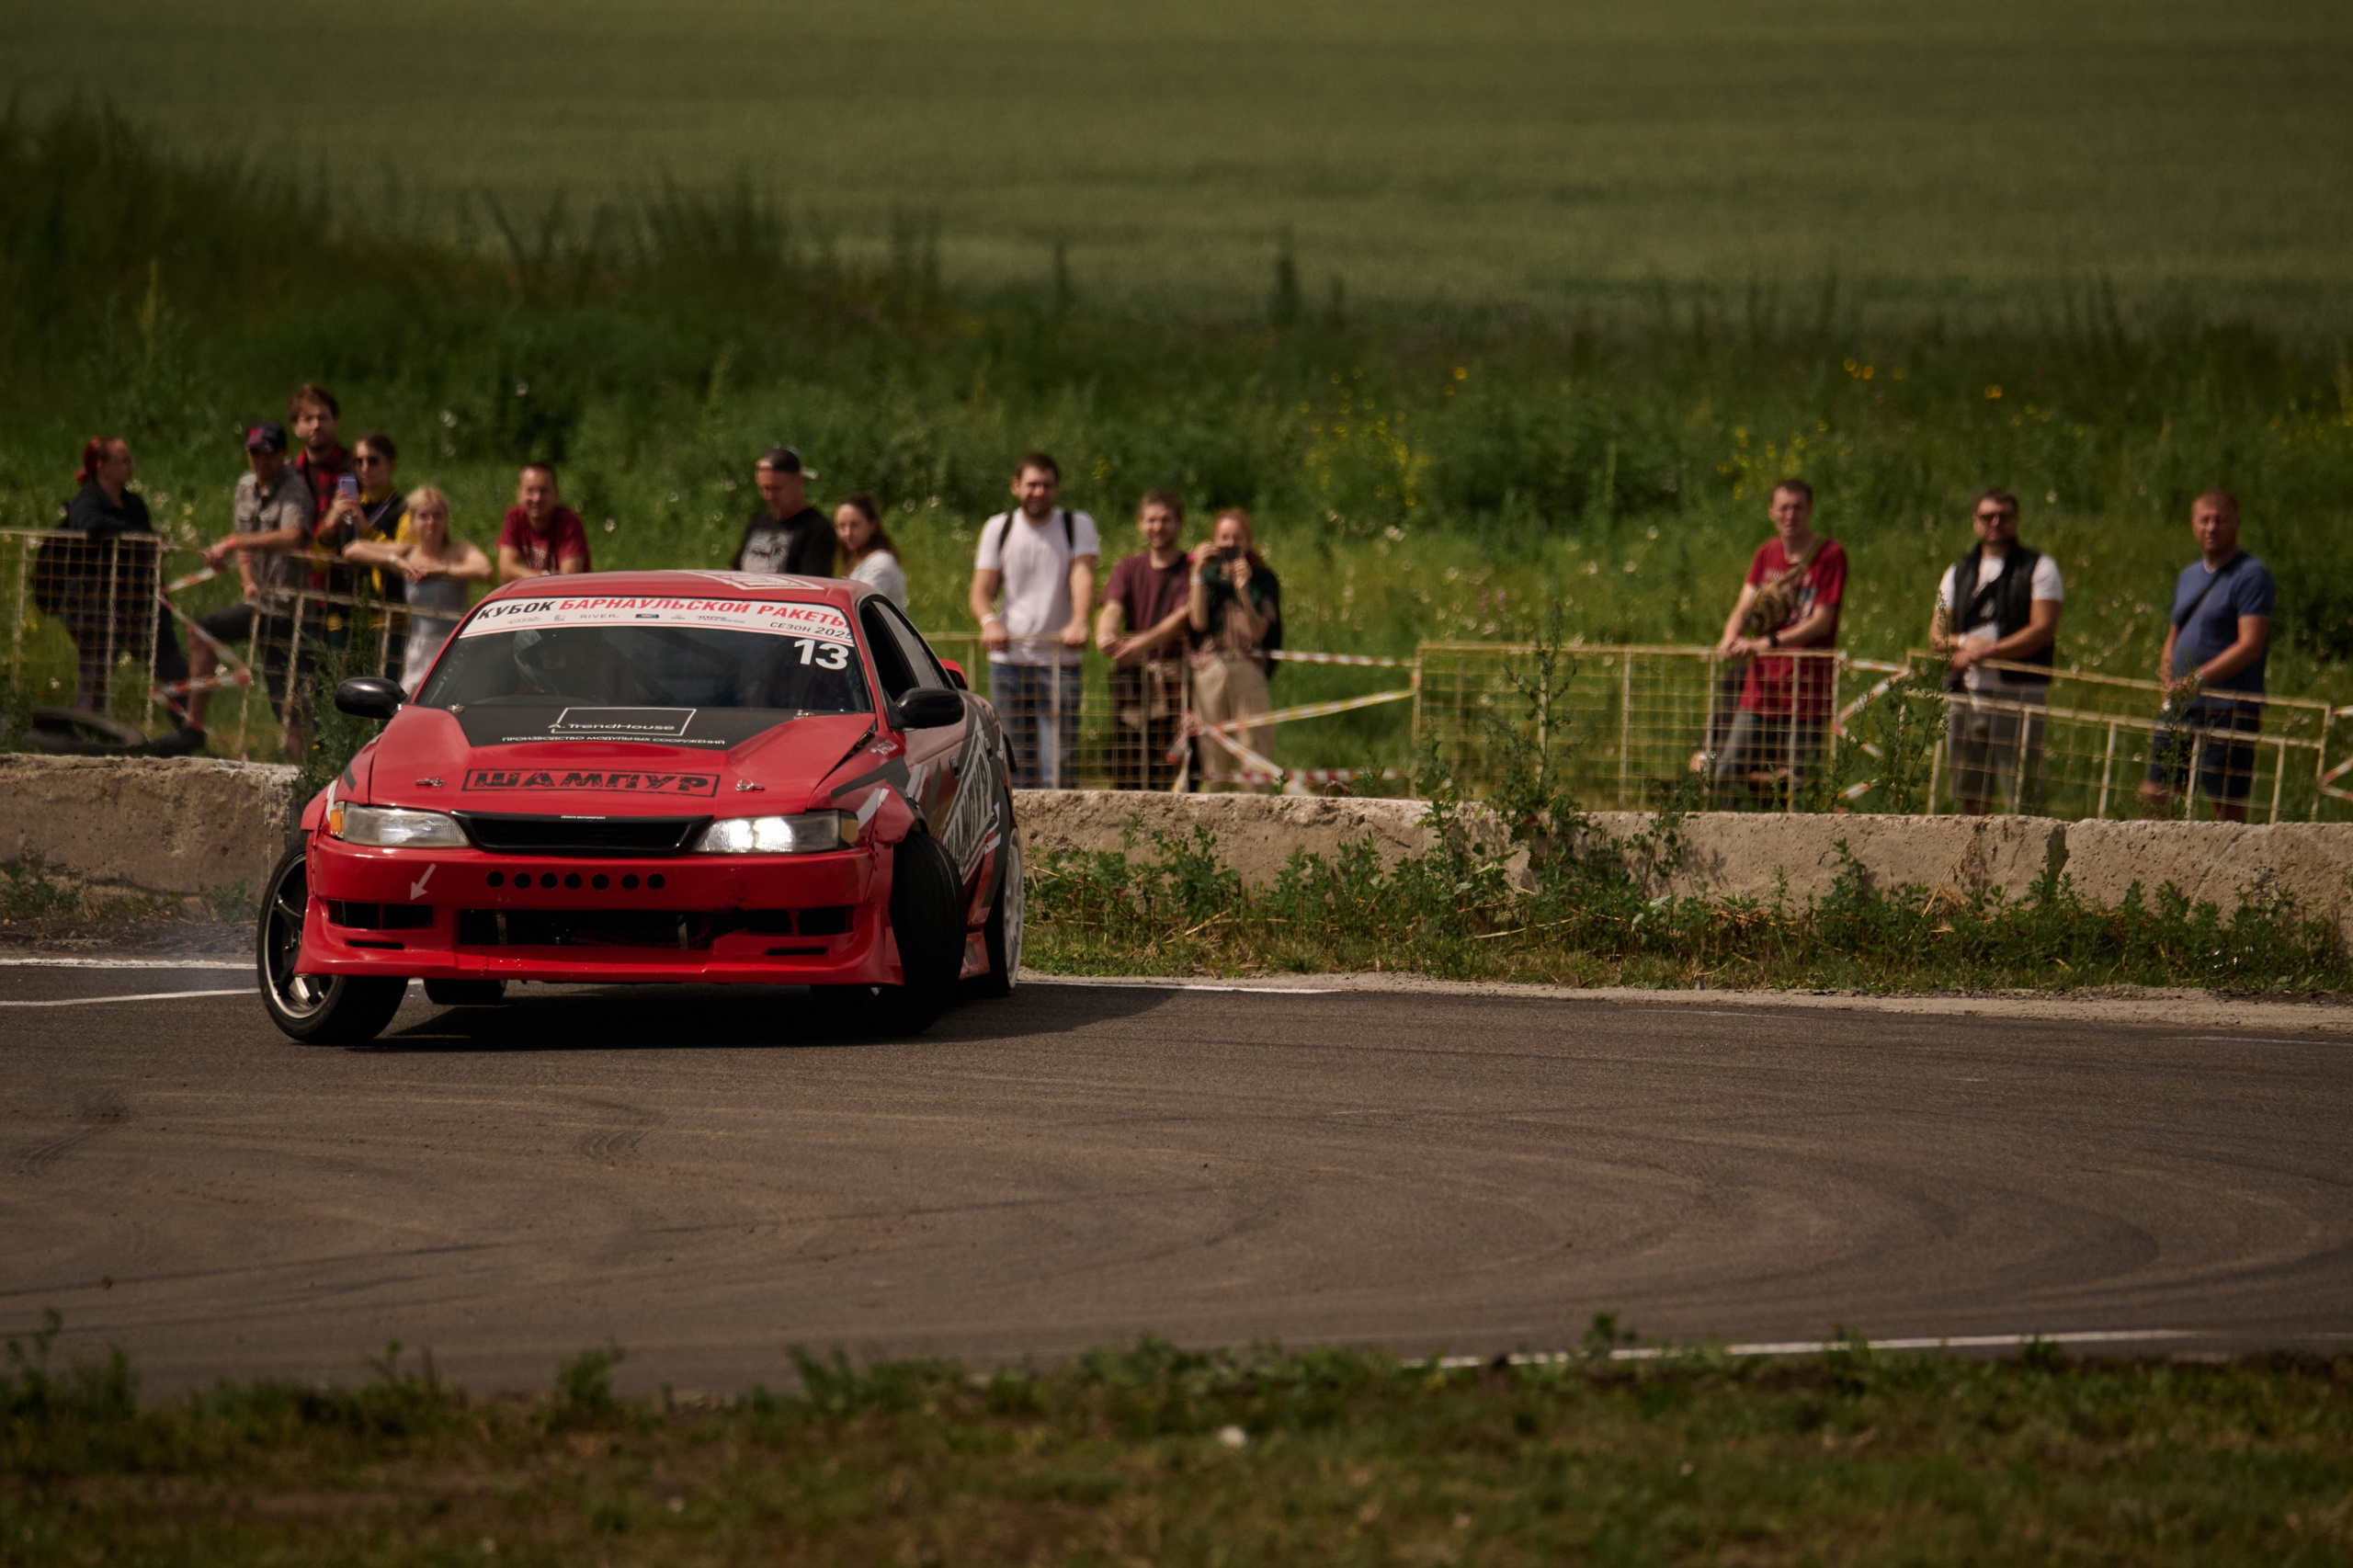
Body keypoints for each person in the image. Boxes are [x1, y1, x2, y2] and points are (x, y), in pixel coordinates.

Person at [44, 437, 196, 747]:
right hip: (95, 607)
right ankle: (84, 745)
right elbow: (91, 526)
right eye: (123, 460)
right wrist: (133, 536)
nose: (130, 465)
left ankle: (189, 735)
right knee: (95, 676)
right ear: (102, 467)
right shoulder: (86, 501)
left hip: (137, 605)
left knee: (173, 668)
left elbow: (145, 544)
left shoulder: (135, 504)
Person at [2138, 491, 2276, 823]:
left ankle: (2235, 871)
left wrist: (2198, 680)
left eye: (2219, 520)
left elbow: (2250, 644)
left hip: (2228, 706)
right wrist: (2168, 681)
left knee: (2224, 803)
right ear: (2193, 524)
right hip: (2181, 705)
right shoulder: (2189, 576)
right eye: (2204, 520)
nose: (2211, 527)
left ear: (2236, 524)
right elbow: (2173, 636)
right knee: (2155, 793)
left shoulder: (2251, 575)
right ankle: (2162, 862)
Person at [1709, 478, 1848, 804]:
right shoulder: (1766, 553)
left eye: (1798, 508)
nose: (1791, 515)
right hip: (1761, 685)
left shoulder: (1831, 556)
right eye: (1784, 508)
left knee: (1802, 784)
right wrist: (1730, 638)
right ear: (1772, 512)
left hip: (1806, 688)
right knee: (1727, 770)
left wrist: (1764, 643)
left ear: (1810, 511)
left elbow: (1821, 621)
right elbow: (1744, 605)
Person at [185, 421, 319, 750]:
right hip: (261, 602)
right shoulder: (245, 487)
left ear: (283, 455)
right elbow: (246, 546)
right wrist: (247, 581)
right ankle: (193, 726)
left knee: (292, 704)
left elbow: (293, 536)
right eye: (254, 453)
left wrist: (231, 542)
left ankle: (317, 768)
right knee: (202, 630)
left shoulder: (295, 490)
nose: (260, 461)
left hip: (292, 606)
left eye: (267, 454)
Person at [1928, 488, 2063, 814]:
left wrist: (1988, 652)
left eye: (2004, 516)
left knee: (2023, 792)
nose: (1996, 523)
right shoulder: (1956, 572)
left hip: (2019, 693)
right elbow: (1936, 635)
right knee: (1969, 794)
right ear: (1975, 522)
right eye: (1988, 516)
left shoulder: (2040, 568)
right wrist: (1962, 645)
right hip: (1965, 693)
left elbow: (2042, 629)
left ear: (2016, 520)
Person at [968, 452, 1098, 788]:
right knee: (1014, 756)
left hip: (1059, 659)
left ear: (1057, 489)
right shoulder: (999, 527)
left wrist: (1080, 620)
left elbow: (1083, 576)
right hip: (1009, 660)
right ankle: (1021, 834)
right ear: (1016, 487)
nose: (1038, 492)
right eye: (1032, 485)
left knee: (1059, 757)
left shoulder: (1075, 524)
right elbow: (981, 590)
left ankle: (1063, 835)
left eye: (1046, 485)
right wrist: (989, 622)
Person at [345, 486, 494, 695]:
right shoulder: (408, 552)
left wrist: (442, 571)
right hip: (419, 652)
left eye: (437, 516)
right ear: (412, 520)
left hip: (455, 649)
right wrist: (396, 562)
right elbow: (353, 549)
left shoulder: (458, 549)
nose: (431, 522)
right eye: (423, 516)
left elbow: (485, 570)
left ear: (446, 519)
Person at [1095, 490, 1195, 790]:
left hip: (1174, 684)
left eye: (1165, 520)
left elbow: (1180, 619)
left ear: (1179, 523)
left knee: (1170, 768)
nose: (1158, 527)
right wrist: (1105, 635)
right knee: (1124, 765)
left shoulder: (1192, 569)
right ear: (1140, 524)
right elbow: (1112, 606)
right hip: (1134, 686)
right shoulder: (1128, 567)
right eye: (1151, 520)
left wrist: (1137, 646)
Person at [1187, 507, 1281, 790]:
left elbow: (1258, 631)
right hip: (1209, 667)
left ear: (1248, 542)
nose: (1229, 545)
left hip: (1246, 666)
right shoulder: (1206, 576)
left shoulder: (1263, 579)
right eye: (1224, 538)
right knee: (1211, 751)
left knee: (1253, 746)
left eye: (1236, 538)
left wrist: (1243, 589)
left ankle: (1257, 812)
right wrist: (1196, 573)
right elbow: (1198, 621)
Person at [313, 431, 410, 656]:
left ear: (391, 464)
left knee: (384, 688)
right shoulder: (345, 506)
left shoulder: (404, 509)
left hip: (384, 618)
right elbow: (317, 562)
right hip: (340, 612)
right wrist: (331, 520)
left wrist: (365, 528)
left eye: (373, 461)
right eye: (359, 461)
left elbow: (403, 556)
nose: (365, 468)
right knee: (338, 687)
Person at [732, 448, 834, 576]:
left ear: (799, 481)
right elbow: (733, 571)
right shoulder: (759, 523)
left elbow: (813, 587)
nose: (769, 496)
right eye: (764, 488)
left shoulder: (817, 529)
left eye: (776, 488)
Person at [495, 462, 591, 582]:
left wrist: (523, 575)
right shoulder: (514, 517)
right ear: (519, 494)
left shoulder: (569, 523)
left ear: (556, 495)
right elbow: (505, 570)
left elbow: (568, 577)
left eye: (544, 491)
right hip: (531, 597)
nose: (537, 498)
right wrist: (547, 576)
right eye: (530, 491)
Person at [288, 383, 350, 526]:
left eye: (322, 418)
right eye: (308, 419)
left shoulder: (358, 467)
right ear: (296, 428)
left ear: (336, 423)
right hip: (297, 548)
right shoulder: (287, 473)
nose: (316, 425)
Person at [833, 493, 907, 608]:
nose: (848, 533)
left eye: (855, 525)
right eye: (842, 526)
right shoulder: (857, 559)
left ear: (872, 525)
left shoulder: (880, 563)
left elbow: (862, 607)